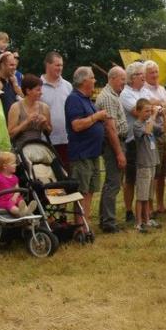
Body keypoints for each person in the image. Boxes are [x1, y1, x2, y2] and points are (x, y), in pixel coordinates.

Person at [64, 66, 107, 228]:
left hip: (93, 152)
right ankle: (79, 225)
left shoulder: (87, 99)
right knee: (81, 190)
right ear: (84, 81)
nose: (95, 80)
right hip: (81, 153)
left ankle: (85, 222)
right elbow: (76, 125)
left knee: (89, 189)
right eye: (93, 77)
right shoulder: (74, 99)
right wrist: (97, 116)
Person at [94, 66, 128, 233]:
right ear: (113, 78)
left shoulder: (113, 96)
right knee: (113, 183)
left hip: (116, 143)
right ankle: (109, 222)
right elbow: (110, 129)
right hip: (114, 144)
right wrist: (119, 152)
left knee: (112, 183)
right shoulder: (108, 98)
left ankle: (105, 219)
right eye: (122, 79)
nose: (124, 83)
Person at [119, 62, 153, 224]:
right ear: (132, 78)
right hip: (133, 140)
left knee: (147, 176)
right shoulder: (126, 94)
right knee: (131, 178)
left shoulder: (144, 90)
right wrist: (153, 108)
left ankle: (146, 211)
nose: (144, 77)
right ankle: (129, 211)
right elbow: (138, 112)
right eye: (141, 74)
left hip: (146, 139)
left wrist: (153, 107)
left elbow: (155, 104)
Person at [143, 60, 166, 216]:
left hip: (164, 133)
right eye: (151, 72)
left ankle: (160, 204)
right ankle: (150, 205)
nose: (155, 75)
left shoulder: (161, 88)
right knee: (154, 172)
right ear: (145, 75)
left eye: (156, 72)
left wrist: (160, 104)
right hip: (152, 134)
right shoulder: (144, 90)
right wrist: (160, 103)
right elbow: (149, 104)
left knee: (163, 173)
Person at [133, 98, 162, 233]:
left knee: (149, 195)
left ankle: (147, 218)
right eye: (146, 111)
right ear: (138, 111)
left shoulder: (148, 122)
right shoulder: (137, 125)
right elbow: (149, 131)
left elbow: (165, 129)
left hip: (152, 163)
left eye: (150, 111)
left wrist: (164, 116)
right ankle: (138, 222)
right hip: (144, 164)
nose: (149, 113)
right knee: (141, 195)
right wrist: (154, 115)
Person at [40, 52, 73, 174]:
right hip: (46, 141)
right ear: (47, 65)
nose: (60, 68)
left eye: (61, 65)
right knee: (50, 176)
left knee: (67, 175)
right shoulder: (38, 86)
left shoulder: (68, 86)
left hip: (66, 140)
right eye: (57, 65)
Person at [0, 151, 38, 217]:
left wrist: (15, 196)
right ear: (5, 166)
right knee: (9, 204)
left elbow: (17, 190)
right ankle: (20, 212)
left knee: (20, 199)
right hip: (2, 201)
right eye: (13, 163)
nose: (15, 165)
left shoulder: (15, 177)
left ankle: (27, 211)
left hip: (12, 198)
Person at [7, 74, 51, 148]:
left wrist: (45, 124)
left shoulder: (44, 107)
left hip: (39, 147)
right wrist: (26, 121)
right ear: (28, 91)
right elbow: (10, 134)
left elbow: (49, 132)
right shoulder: (16, 107)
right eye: (38, 90)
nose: (41, 93)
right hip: (21, 148)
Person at [0, 53, 23, 120]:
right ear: (2, 65)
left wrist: (15, 85)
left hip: (13, 125)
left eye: (15, 65)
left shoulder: (13, 81)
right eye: (11, 65)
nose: (14, 68)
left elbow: (24, 98)